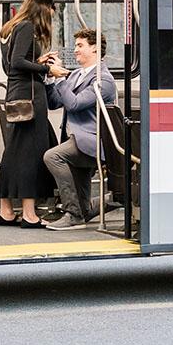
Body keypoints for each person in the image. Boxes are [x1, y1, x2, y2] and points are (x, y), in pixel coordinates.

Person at [0, 0, 66, 228]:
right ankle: (29, 213)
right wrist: (48, 70)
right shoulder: (26, 27)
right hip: (30, 97)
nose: (53, 14)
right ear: (43, 8)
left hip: (19, 93)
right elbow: (17, 63)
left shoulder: (12, 27)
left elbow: (13, 65)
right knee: (30, 156)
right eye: (52, 8)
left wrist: (40, 60)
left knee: (15, 153)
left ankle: (6, 211)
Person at [42, 28, 118, 231]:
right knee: (85, 208)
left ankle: (73, 214)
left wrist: (60, 79)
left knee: (53, 156)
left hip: (93, 142)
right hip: (75, 139)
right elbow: (54, 103)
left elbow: (74, 104)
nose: (75, 50)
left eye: (80, 45)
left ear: (94, 48)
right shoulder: (76, 74)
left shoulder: (103, 80)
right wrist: (51, 78)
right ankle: (113, 200)